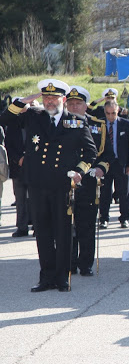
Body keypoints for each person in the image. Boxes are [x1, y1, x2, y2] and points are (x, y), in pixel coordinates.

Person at [0, 79, 97, 292]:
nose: (50, 102)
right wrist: (22, 102)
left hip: (62, 185)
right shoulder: (34, 116)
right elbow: (4, 118)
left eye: (54, 98)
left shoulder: (77, 122)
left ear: (63, 99)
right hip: (37, 184)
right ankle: (46, 277)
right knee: (42, 232)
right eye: (46, 97)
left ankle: (62, 278)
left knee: (62, 232)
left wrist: (79, 172)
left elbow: (91, 153)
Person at [65, 86, 115, 276]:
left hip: (88, 183)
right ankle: (68, 262)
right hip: (65, 183)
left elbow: (109, 155)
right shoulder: (60, 125)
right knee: (67, 225)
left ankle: (85, 263)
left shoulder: (98, 125)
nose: (74, 107)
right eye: (71, 103)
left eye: (78, 103)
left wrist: (102, 167)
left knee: (86, 225)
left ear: (86, 106)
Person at [99, 100, 129, 229]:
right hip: (105, 164)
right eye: (108, 113)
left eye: (113, 113)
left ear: (118, 111)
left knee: (124, 192)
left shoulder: (125, 124)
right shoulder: (100, 124)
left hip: (121, 163)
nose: (111, 116)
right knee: (104, 193)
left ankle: (124, 218)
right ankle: (104, 218)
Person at [3, 101, 30, 236]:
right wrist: (18, 158)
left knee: (36, 199)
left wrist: (28, 157)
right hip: (18, 167)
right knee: (20, 198)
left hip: (34, 167)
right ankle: (22, 226)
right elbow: (8, 146)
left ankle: (38, 227)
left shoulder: (36, 124)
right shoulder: (13, 126)